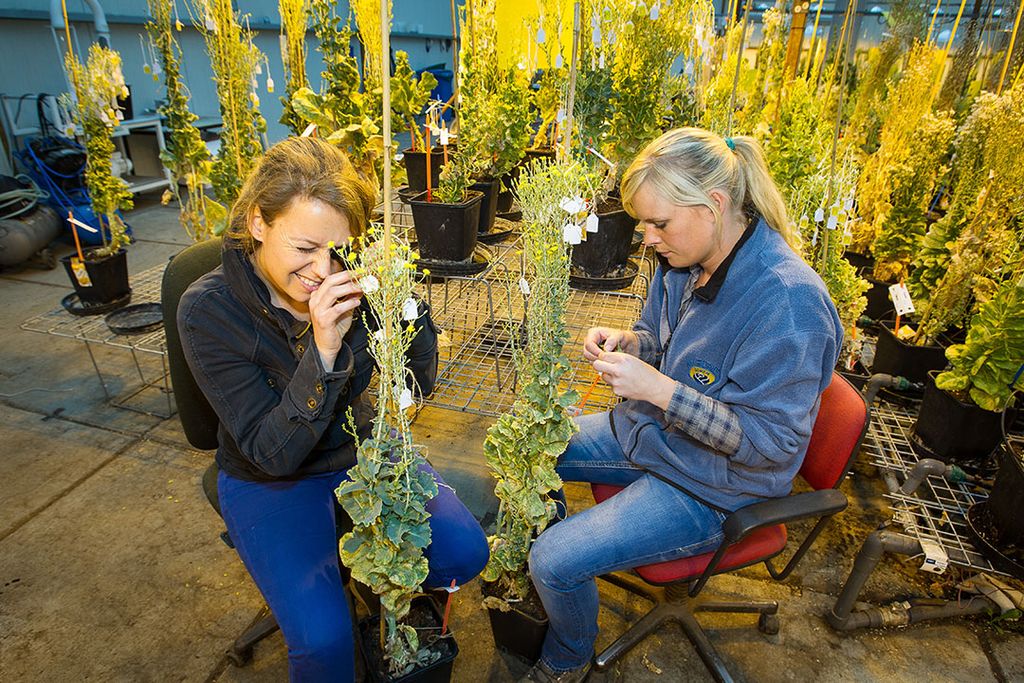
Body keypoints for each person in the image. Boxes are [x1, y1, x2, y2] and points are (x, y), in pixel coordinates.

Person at [521, 128, 842, 683]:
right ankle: (563, 577)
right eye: (642, 224)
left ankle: (567, 660)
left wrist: (659, 390)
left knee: (552, 559)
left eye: (658, 223)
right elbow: (660, 336)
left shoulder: (787, 302)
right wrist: (630, 343)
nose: (647, 238)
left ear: (715, 205)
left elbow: (772, 445)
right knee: (528, 447)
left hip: (716, 485)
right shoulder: (684, 261)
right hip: (654, 433)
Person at [178, 137, 489, 682]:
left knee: (465, 553)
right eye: (304, 249)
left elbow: (418, 381)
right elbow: (272, 452)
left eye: (338, 249)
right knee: (323, 644)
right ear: (257, 224)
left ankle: (385, 602)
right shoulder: (208, 311)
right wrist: (323, 350)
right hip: (271, 473)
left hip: (359, 447)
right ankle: (341, 615)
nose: (324, 269)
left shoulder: (352, 278)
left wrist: (406, 306)